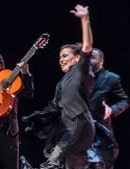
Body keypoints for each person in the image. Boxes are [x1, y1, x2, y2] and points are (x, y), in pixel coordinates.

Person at [32, 4, 95, 169]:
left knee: (52, 162)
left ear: (76, 58)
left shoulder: (79, 71)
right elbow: (56, 106)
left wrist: (85, 19)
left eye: (65, 56)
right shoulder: (64, 81)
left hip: (78, 123)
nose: (61, 59)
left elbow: (87, 47)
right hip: (68, 127)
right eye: (60, 57)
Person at [87, 47, 129, 169]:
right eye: (87, 57)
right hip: (80, 130)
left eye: (93, 58)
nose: (89, 61)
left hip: (100, 130)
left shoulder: (111, 78)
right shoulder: (80, 78)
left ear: (101, 61)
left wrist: (112, 109)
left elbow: (124, 100)